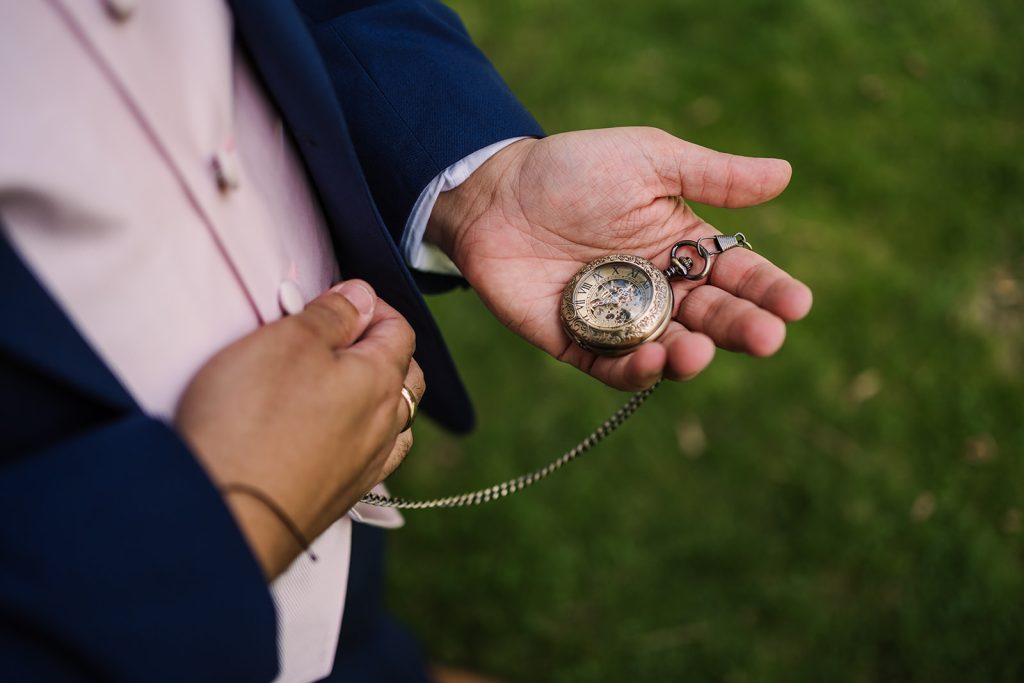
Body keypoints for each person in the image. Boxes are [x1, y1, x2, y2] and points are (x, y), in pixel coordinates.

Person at [0, 1, 812, 681]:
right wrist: (222, 521)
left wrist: (480, 174)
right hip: (103, 591)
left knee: (353, 629)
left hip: (357, 454)